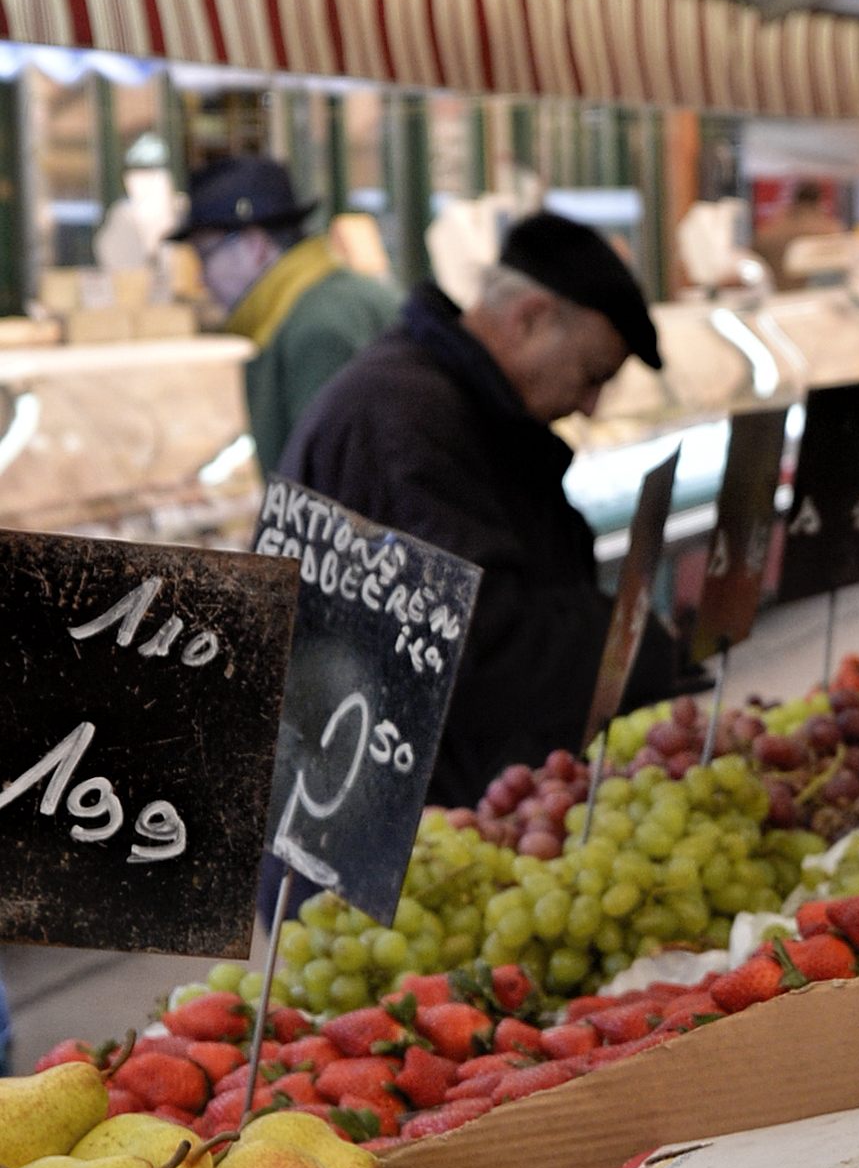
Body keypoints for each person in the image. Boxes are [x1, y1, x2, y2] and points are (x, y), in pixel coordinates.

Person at [278, 213, 675, 808]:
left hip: (443, 796)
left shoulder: (448, 401)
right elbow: (479, 645)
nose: (590, 406)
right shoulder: (401, 419)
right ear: (530, 317)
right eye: (592, 376)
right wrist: (638, 647)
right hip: (387, 825)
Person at [175, 156, 398, 472]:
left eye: (204, 256)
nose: (201, 279)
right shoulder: (326, 299)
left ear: (255, 247)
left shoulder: (316, 330)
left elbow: (329, 490)